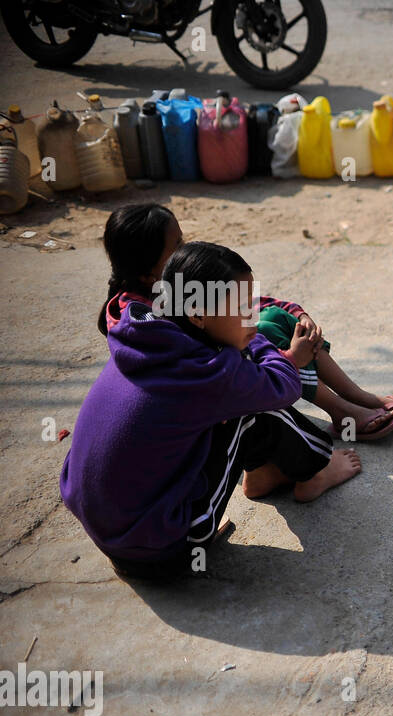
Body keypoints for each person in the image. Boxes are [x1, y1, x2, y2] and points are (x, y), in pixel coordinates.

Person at [61, 242, 362, 579]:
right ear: (198, 315)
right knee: (254, 412)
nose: (253, 316)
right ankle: (315, 471)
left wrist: (245, 337)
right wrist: (270, 346)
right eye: (243, 308)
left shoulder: (148, 335)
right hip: (160, 552)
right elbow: (282, 387)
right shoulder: (206, 371)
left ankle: (264, 475)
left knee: (233, 402)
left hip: (113, 530)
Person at [96, 203, 393, 440]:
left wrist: (297, 313)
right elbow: (212, 371)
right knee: (262, 330)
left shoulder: (172, 285)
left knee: (275, 318)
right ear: (147, 271)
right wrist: (291, 357)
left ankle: (358, 396)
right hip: (206, 405)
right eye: (177, 245)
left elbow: (244, 305)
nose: (187, 248)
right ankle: (340, 410)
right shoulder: (143, 321)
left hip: (222, 373)